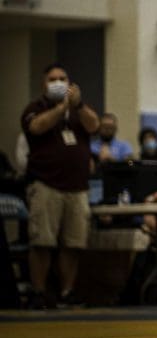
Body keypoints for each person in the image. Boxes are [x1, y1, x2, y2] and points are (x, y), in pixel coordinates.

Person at [21, 64, 99, 308]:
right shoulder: (35, 108)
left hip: (77, 188)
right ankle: (39, 292)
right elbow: (37, 127)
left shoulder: (78, 110)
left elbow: (94, 125)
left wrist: (77, 105)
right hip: (46, 185)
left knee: (73, 244)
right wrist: (61, 108)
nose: (58, 82)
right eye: (52, 79)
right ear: (44, 84)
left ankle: (67, 292)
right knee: (42, 242)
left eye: (62, 78)